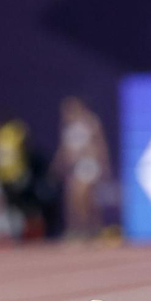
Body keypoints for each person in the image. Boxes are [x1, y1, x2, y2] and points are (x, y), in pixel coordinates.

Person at [53, 97, 111, 239]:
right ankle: (80, 229)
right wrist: (56, 164)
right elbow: (64, 149)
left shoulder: (90, 122)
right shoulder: (67, 128)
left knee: (82, 196)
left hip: (89, 164)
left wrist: (104, 165)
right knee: (76, 200)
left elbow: (100, 143)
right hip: (74, 167)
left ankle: (90, 229)